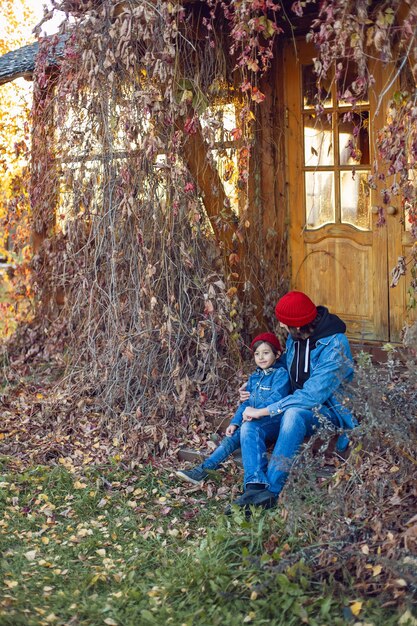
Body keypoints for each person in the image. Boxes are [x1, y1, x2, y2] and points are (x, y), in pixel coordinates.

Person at [232, 291, 356, 512]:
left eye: (284, 323)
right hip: (293, 404)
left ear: (298, 326)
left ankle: (271, 490)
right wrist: (256, 384)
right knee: (250, 425)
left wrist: (265, 411)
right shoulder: (296, 337)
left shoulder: (335, 345)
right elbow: (290, 373)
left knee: (292, 414)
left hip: (327, 412)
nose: (281, 326)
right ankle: (253, 487)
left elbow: (311, 396)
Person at [175, 333, 291, 485]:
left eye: (266, 353)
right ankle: (202, 471)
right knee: (230, 439)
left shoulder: (280, 375)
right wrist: (235, 423)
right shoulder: (255, 377)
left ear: (277, 354)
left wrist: (255, 413)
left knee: (247, 429)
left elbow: (276, 398)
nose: (261, 357)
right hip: (252, 422)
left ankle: (258, 480)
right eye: (257, 354)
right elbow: (246, 403)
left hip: (272, 422)